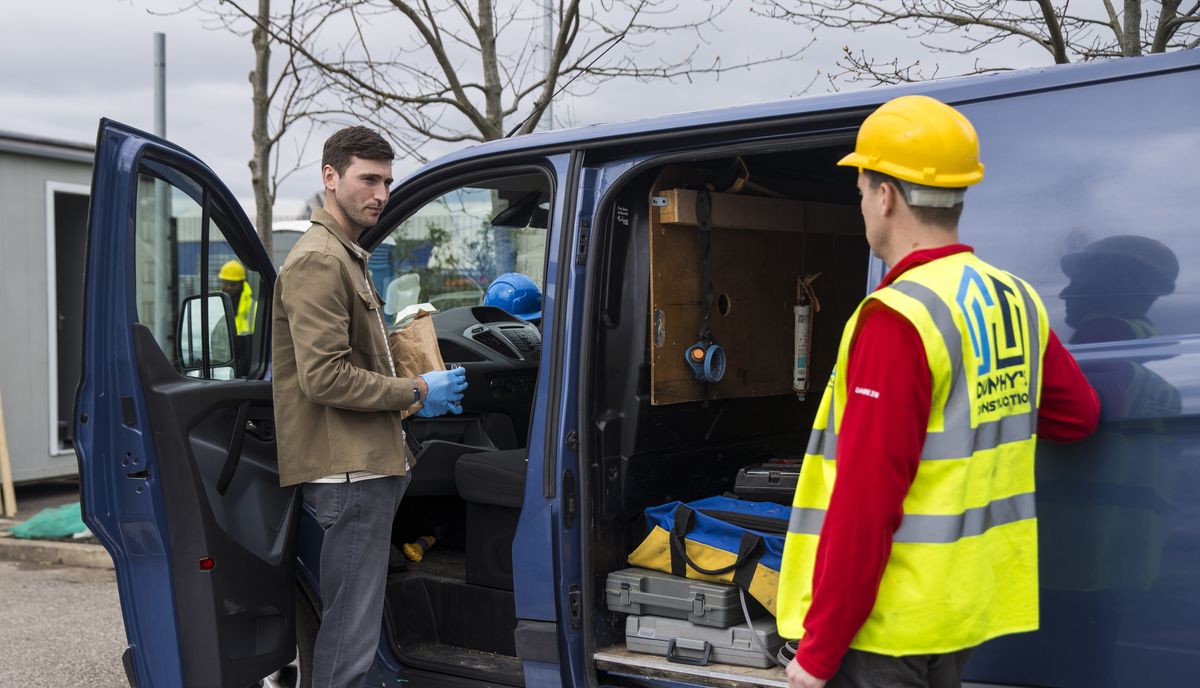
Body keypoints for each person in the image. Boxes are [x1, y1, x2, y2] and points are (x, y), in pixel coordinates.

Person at [776, 95, 1101, 688]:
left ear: (886, 196)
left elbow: (865, 503)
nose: (863, 210)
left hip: (882, 628)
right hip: (958, 612)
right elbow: (1077, 416)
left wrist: (818, 656)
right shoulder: (1013, 296)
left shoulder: (898, 317)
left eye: (861, 194)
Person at [271, 126, 468, 688]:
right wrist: (418, 392)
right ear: (330, 177)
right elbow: (324, 377)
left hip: (367, 466)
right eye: (368, 179)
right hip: (349, 474)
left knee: (353, 628)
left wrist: (409, 403)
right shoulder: (317, 261)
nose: (381, 193)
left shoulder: (345, 256)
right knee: (348, 640)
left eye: (386, 181)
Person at [217, 259, 256, 334]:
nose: (228, 287)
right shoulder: (217, 305)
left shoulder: (253, 308)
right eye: (225, 283)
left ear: (242, 283)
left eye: (233, 284)